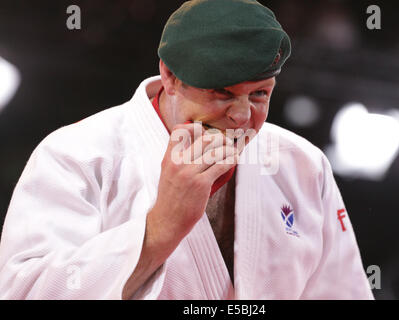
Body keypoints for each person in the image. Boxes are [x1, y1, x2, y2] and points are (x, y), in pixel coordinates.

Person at [0, 0, 374, 299]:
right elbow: (24, 292)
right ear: (170, 76)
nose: (243, 116)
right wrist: (160, 229)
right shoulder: (78, 155)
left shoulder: (303, 164)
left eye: (259, 93)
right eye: (222, 93)